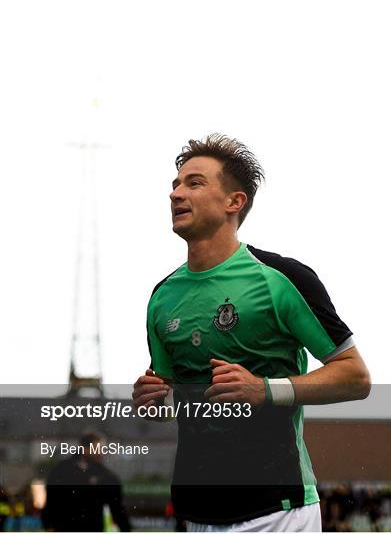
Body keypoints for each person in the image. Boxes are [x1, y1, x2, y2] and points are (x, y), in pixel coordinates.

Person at [132, 134, 371, 532]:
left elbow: (355, 376)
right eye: (175, 184)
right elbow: (177, 398)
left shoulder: (283, 279)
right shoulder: (162, 297)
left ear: (234, 202)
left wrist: (264, 389)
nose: (176, 194)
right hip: (196, 514)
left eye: (194, 183)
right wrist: (155, 402)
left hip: (278, 510)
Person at [42, 432, 130, 532]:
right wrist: (48, 524)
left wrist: (125, 528)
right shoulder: (61, 471)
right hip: (65, 528)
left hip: (92, 528)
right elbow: (51, 500)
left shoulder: (105, 475)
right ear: (84, 448)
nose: (100, 452)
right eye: (97, 448)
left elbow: (117, 507)